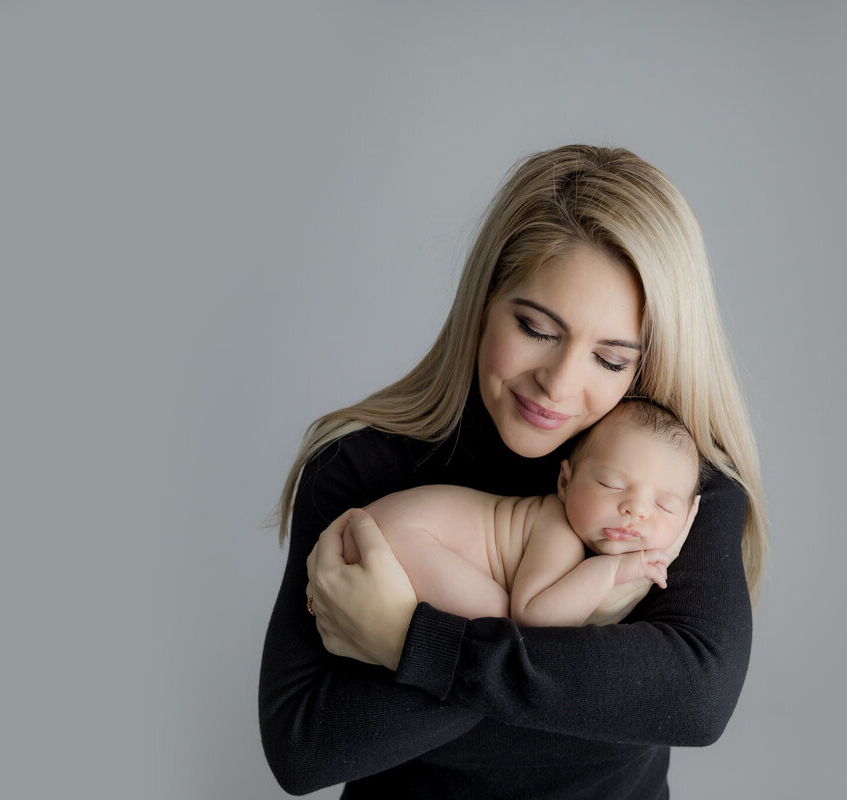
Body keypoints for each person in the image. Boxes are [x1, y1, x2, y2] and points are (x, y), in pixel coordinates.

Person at [260, 144, 769, 798]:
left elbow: (696, 699)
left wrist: (411, 645)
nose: (557, 384)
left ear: (646, 362)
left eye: (610, 360)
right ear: (484, 300)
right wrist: (577, 646)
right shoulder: (362, 467)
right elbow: (301, 748)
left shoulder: (667, 491)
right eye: (535, 326)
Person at [344, 398, 703, 628]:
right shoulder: (556, 530)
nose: (635, 509)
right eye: (611, 484)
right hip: (397, 536)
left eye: (663, 505)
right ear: (564, 483)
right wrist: (612, 571)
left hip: (389, 527)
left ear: (687, 517)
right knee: (500, 626)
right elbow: (535, 618)